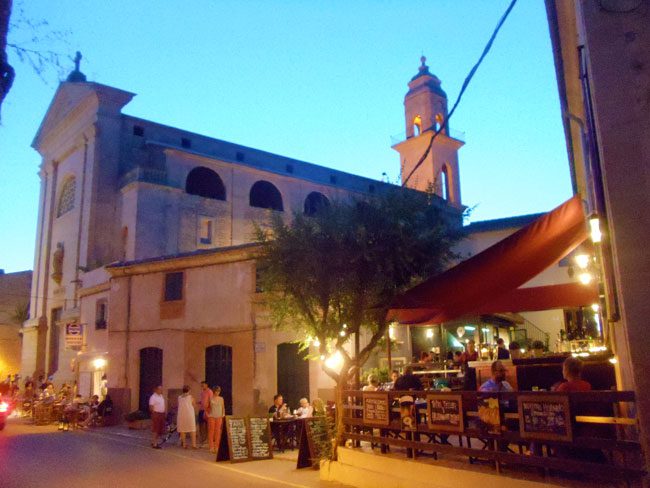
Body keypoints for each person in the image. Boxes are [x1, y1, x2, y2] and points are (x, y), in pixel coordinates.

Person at [207, 386, 225, 454]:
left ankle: (217, 446)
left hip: (219, 417)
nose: (218, 392)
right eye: (216, 391)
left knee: (218, 432)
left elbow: (223, 407)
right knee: (211, 431)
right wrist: (208, 414)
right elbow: (207, 407)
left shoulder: (221, 398)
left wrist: (223, 414)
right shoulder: (210, 398)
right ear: (214, 391)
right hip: (212, 416)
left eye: (219, 391)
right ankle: (211, 447)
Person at [198, 381, 213, 446]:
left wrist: (208, 410)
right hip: (201, 410)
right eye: (201, 385)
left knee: (207, 425)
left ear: (206, 385)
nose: (202, 386)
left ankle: (207, 439)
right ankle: (202, 438)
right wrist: (198, 402)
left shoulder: (209, 391)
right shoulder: (202, 392)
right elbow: (202, 401)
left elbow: (211, 401)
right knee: (201, 424)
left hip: (207, 410)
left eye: (203, 385)